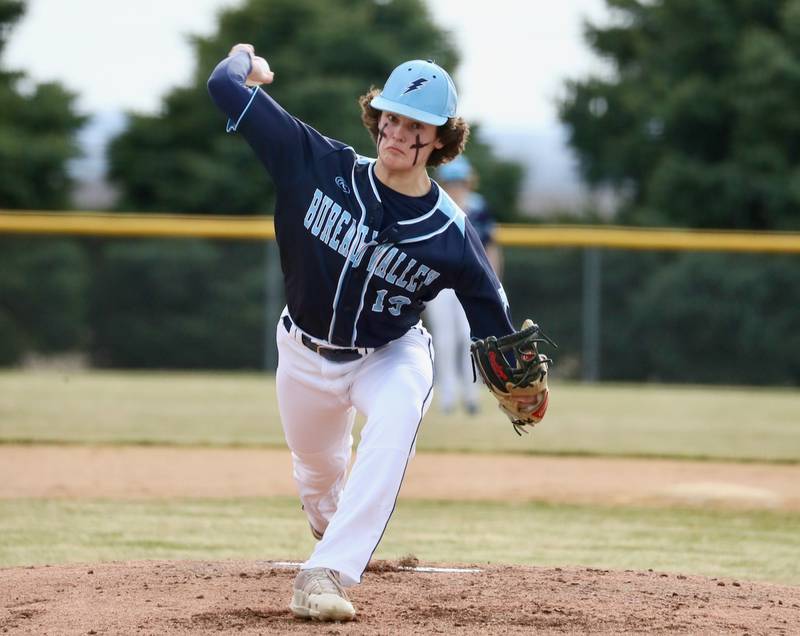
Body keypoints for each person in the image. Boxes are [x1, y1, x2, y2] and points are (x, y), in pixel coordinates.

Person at [208, 45, 519, 622]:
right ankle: (332, 531)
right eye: (391, 116)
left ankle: (326, 573)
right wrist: (242, 57)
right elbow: (224, 88)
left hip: (389, 354)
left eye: (415, 124)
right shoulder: (317, 163)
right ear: (376, 117)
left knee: (400, 413)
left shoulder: (450, 231)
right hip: (302, 351)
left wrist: (517, 377)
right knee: (317, 474)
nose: (397, 131)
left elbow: (490, 312)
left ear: (440, 140)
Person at [424, 156, 502, 415]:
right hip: (441, 284)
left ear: (468, 182)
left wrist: (494, 282)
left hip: (472, 282)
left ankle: (471, 396)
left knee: (471, 338)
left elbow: (491, 246)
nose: (456, 186)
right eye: (452, 181)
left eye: (460, 181)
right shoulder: (435, 205)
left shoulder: (478, 208)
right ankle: (447, 396)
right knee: (444, 340)